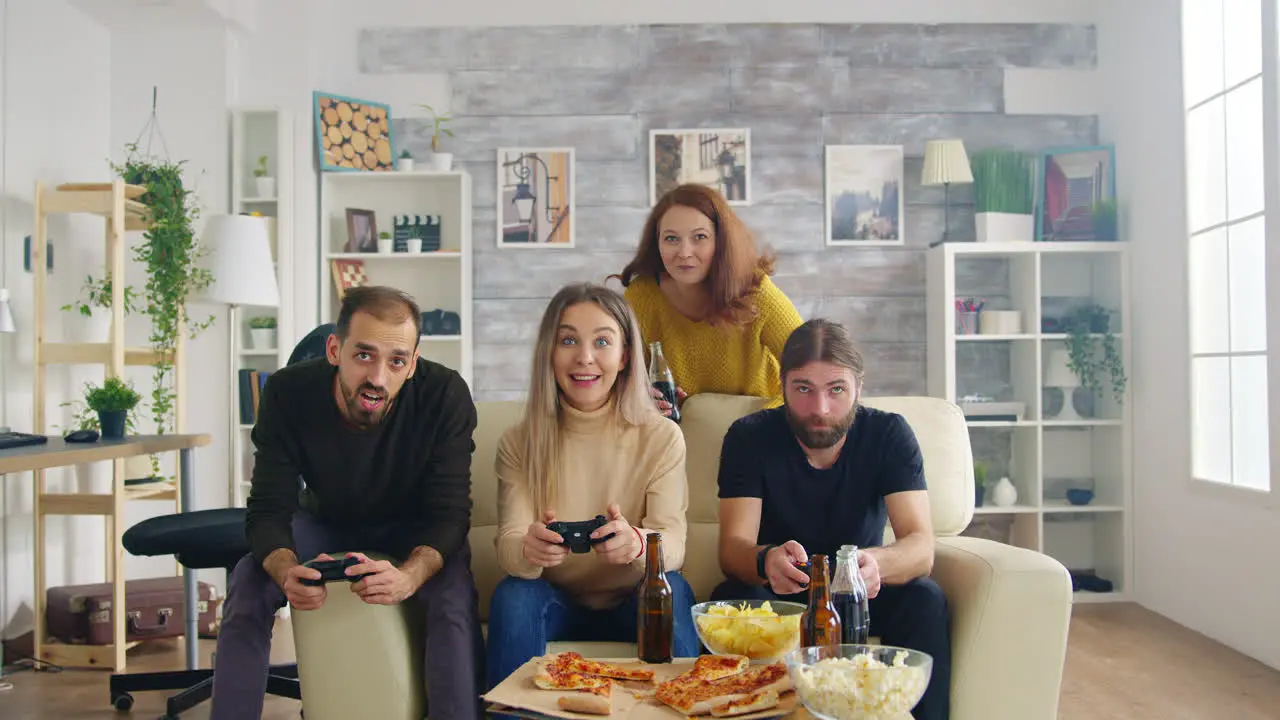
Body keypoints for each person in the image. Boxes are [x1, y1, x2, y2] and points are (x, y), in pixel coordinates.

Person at [211, 286, 485, 720]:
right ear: (335, 350)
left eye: (396, 361)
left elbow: (449, 515)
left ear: (412, 364)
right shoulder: (287, 393)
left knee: (450, 591)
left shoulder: (444, 395)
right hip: (326, 520)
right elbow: (267, 508)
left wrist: (411, 577)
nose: (378, 376)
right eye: (364, 355)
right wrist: (283, 571)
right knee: (251, 577)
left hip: (412, 528)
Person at [711, 318, 951, 720]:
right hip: (781, 596)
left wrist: (877, 564)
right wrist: (765, 560)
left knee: (925, 598)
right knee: (729, 596)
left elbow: (920, 546)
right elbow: (732, 550)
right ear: (782, 385)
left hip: (864, 594)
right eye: (803, 389)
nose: (819, 409)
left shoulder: (889, 434)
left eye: (836, 389)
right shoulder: (748, 437)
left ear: (859, 385)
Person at [486, 282, 698, 690]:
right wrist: (530, 549)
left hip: (635, 597)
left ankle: (684, 706)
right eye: (568, 340)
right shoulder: (519, 442)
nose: (584, 358)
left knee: (676, 587)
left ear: (625, 357)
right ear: (549, 352)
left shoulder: (662, 437)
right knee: (513, 594)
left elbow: (673, 542)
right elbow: (510, 546)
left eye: (602, 341)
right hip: (554, 598)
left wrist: (638, 544)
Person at [611, 183, 804, 414]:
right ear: (657, 243)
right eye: (671, 238)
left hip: (759, 425)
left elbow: (811, 370)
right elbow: (621, 378)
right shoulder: (641, 296)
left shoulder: (756, 292)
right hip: (679, 434)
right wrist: (644, 398)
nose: (684, 252)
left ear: (721, 241)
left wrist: (764, 420)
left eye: (700, 237)